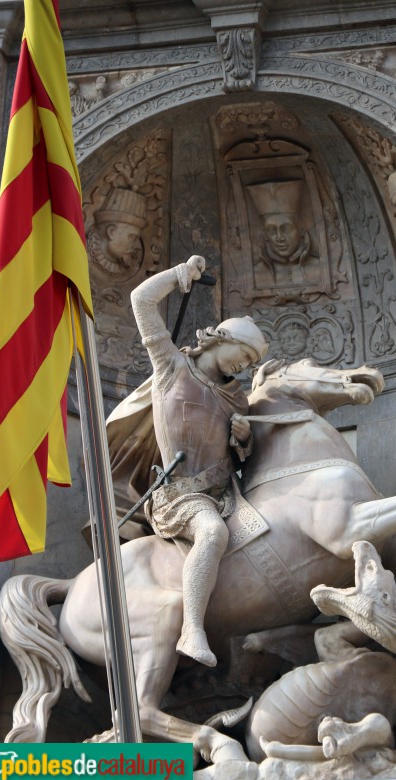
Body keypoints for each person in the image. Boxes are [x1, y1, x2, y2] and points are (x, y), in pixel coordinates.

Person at [131, 255, 268, 667]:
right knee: (211, 533)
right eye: (241, 356)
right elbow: (140, 301)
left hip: (227, 493)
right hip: (181, 497)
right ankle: (192, 629)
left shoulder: (237, 398)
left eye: (249, 365)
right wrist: (178, 276)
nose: (243, 367)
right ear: (219, 338)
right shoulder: (171, 366)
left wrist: (242, 440)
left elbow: (237, 457)